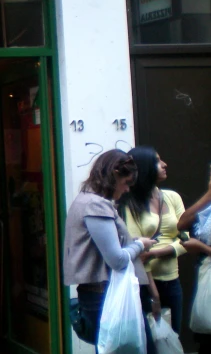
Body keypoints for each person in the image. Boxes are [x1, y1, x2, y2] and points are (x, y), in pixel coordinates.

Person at [63, 149, 156, 351]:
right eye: (126, 183)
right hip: (106, 294)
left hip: (101, 293)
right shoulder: (96, 206)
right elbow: (117, 259)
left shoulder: (86, 201)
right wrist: (140, 245)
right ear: (114, 174)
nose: (127, 190)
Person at [119, 146, 186, 333]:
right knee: (150, 342)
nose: (164, 165)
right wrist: (154, 294)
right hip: (144, 284)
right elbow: (137, 249)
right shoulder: (129, 203)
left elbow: (187, 237)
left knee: (172, 337)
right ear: (144, 167)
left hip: (173, 280)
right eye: (157, 161)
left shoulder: (172, 197)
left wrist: (159, 252)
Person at [177, 169, 211, 353]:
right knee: (205, 335)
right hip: (207, 274)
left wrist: (202, 248)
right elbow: (182, 224)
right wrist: (208, 196)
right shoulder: (208, 207)